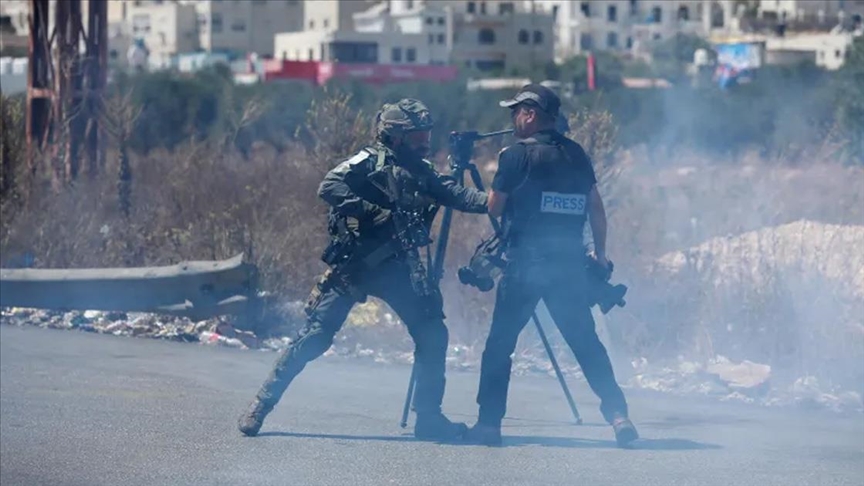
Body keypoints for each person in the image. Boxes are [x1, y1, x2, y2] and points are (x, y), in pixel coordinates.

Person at [238, 99, 488, 441]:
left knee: (433, 334)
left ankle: (429, 418)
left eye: (427, 134)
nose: (425, 142)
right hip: (356, 266)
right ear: (396, 136)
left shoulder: (423, 172)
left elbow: (458, 195)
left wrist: (499, 201)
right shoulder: (368, 161)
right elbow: (329, 185)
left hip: (399, 270)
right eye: (418, 135)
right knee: (315, 336)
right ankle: (261, 404)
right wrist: (373, 212)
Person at [464, 84, 639, 447]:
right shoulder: (576, 154)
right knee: (586, 344)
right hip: (569, 268)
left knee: (499, 347)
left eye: (516, 112)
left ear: (530, 115)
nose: (513, 118)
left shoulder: (515, 156)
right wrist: (601, 254)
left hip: (524, 268)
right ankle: (618, 415)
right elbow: (596, 208)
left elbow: (495, 207)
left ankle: (488, 425)